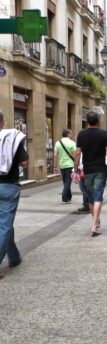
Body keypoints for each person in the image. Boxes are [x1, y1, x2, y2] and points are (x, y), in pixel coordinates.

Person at [72, 111, 107, 236]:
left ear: (87, 121)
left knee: (91, 198)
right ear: (98, 121)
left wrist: (75, 170)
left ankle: (95, 220)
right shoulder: (104, 134)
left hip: (87, 170)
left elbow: (78, 153)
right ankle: (94, 225)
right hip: (100, 170)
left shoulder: (81, 134)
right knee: (98, 197)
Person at [0, 112, 29, 278]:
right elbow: (24, 162)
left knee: (5, 223)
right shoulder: (11, 139)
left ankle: (14, 256)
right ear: (2, 122)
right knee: (4, 224)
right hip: (8, 186)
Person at [54, 128, 76, 204]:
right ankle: (64, 197)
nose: (72, 135)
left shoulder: (58, 143)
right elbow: (75, 155)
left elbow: (55, 155)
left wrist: (55, 166)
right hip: (70, 165)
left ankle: (69, 196)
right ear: (68, 134)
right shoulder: (72, 143)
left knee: (65, 181)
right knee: (68, 182)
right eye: (71, 133)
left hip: (62, 165)